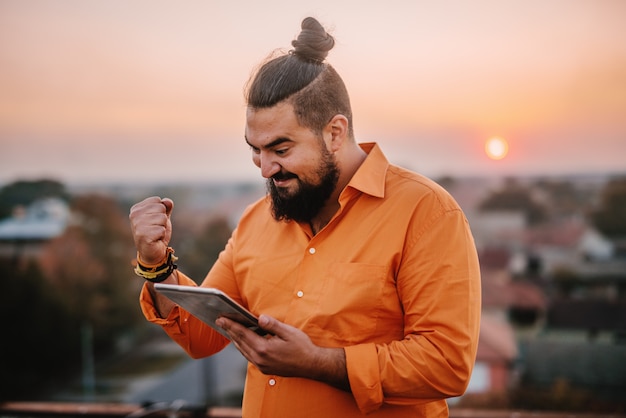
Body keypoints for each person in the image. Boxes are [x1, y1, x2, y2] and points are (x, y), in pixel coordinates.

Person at [129, 17, 481, 418]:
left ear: (334, 133)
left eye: (280, 148)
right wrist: (156, 266)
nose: (264, 168)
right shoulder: (254, 220)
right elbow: (202, 337)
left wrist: (319, 362)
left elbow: (446, 365)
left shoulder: (427, 212)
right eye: (255, 150)